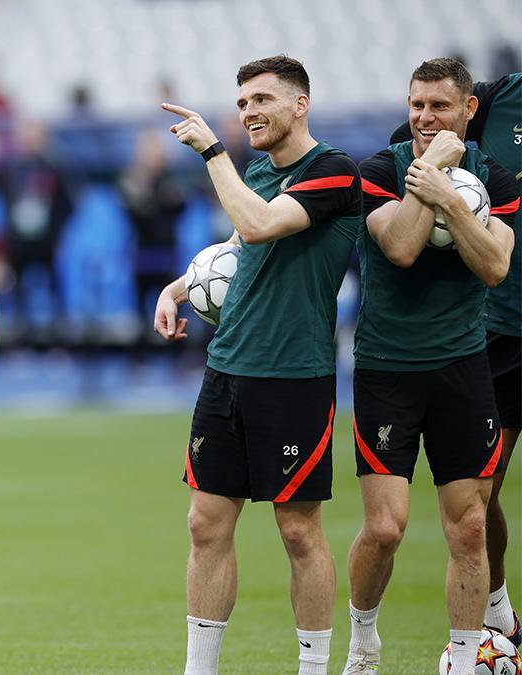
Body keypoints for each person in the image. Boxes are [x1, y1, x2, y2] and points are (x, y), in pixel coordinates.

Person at [154, 55, 362, 675]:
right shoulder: (255, 169)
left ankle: (313, 668)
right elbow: (238, 251)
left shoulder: (333, 171)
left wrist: (211, 150)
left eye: (263, 100)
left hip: (294, 376)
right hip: (227, 369)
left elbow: (262, 223)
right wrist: (178, 288)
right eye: (242, 103)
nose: (250, 112)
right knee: (204, 524)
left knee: (299, 531)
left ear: (300, 104)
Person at [342, 58, 518, 675]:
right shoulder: (378, 170)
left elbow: (495, 267)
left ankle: (468, 661)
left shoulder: (494, 177)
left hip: (463, 367)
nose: (423, 117)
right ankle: (363, 641)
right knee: (385, 529)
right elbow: (401, 246)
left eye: (439, 106)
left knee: (469, 527)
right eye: (416, 104)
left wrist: (455, 200)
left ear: (469, 111)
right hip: (388, 369)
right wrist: (436, 172)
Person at [387, 71, 522, 648]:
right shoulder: (499, 98)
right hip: (504, 328)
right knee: (479, 495)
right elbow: (415, 138)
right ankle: (497, 616)